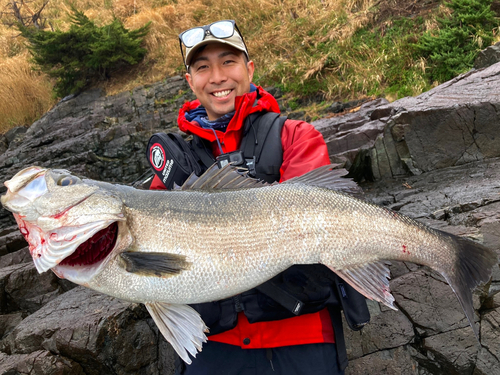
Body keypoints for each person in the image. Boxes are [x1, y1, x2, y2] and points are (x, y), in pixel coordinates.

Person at [148, 19, 369, 375]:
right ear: (190, 83)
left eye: (228, 62)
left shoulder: (295, 135)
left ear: (249, 68)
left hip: (303, 336)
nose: (217, 77)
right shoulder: (173, 163)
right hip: (212, 346)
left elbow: (310, 215)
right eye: (202, 67)